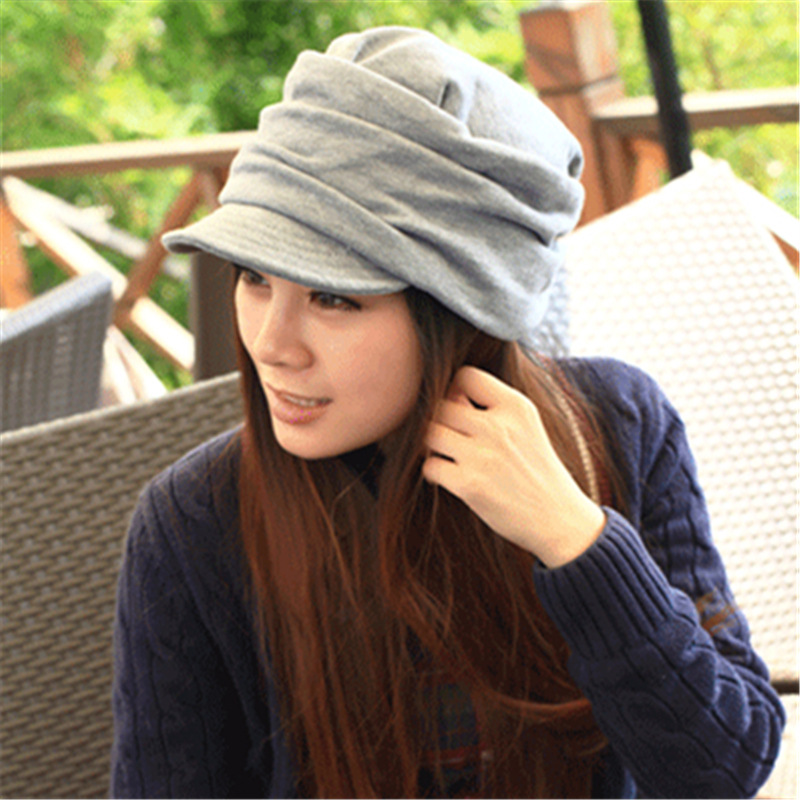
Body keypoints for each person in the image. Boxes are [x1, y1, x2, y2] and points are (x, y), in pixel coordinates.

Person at [110, 26, 785, 799]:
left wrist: (576, 540)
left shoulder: (620, 426)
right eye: (254, 278)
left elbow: (723, 769)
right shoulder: (196, 522)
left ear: (460, 310)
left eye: (333, 297)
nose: (270, 344)